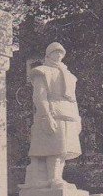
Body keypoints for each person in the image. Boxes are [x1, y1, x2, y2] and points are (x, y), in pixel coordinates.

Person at [25, 41, 82, 187]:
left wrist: (77, 119)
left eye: (60, 52)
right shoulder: (42, 71)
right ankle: (53, 179)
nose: (58, 54)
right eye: (55, 52)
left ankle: (58, 177)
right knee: (54, 148)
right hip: (52, 112)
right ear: (48, 54)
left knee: (64, 150)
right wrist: (46, 116)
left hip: (68, 113)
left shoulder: (69, 75)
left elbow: (73, 99)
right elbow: (39, 96)